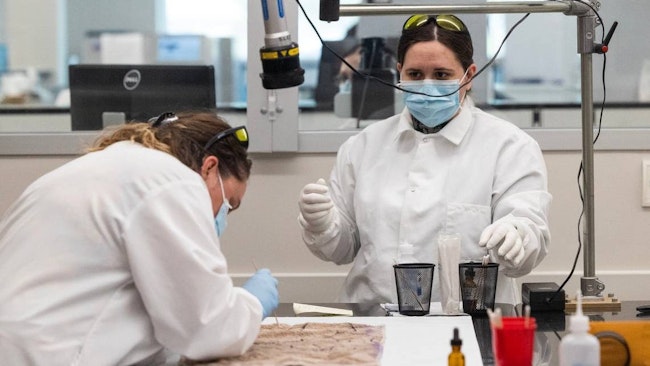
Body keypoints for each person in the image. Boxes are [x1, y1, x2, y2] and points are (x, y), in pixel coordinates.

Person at [298, 14, 551, 306]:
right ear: (399, 73)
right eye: (415, 74)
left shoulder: (509, 147)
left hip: (467, 322)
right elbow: (341, 250)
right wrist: (322, 224)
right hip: (374, 319)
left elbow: (529, 235)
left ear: (468, 76)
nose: (426, 85)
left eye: (442, 75)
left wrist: (518, 237)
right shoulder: (363, 146)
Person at [0, 111, 279, 365]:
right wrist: (252, 302)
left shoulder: (103, 167)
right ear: (209, 168)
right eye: (229, 203)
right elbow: (207, 330)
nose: (222, 216)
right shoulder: (173, 182)